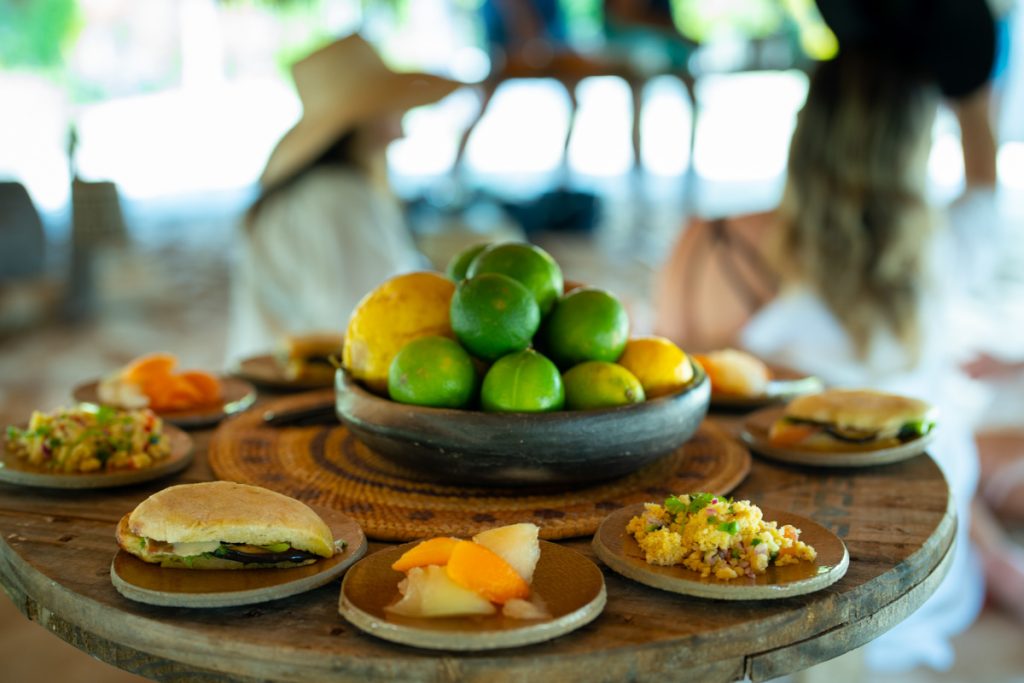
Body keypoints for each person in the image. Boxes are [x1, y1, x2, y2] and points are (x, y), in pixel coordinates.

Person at [657, 0, 1003, 672]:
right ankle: (992, 548)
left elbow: (679, 407)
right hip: (926, 561)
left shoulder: (714, 246)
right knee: (970, 442)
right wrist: (962, 76)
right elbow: (985, 178)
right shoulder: (937, 251)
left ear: (805, 130)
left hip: (778, 552)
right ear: (915, 141)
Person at [226, 34, 460, 364]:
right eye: (391, 104)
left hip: (272, 371)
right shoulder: (337, 197)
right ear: (362, 119)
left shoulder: (323, 190)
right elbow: (367, 323)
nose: (403, 123)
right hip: (295, 386)